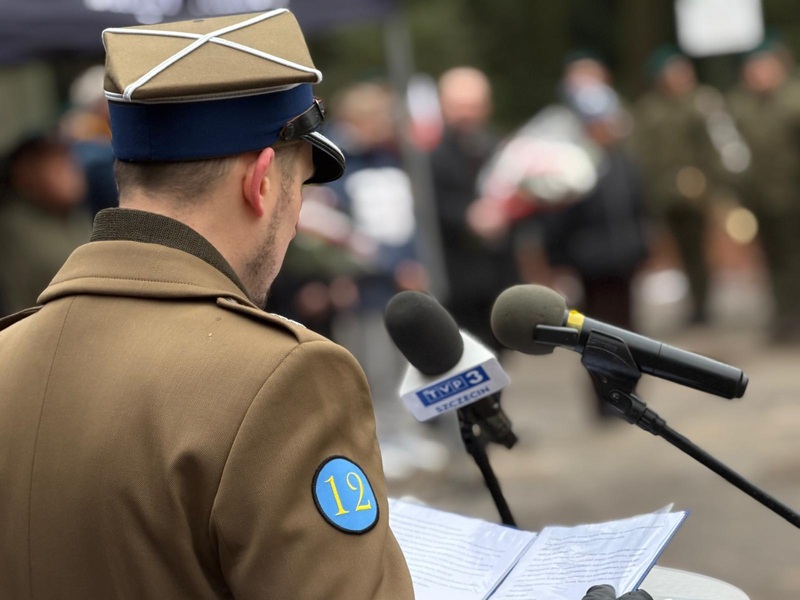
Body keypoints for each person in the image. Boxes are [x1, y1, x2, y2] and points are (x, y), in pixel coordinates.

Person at [0, 10, 413, 598]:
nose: (296, 219)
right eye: (300, 187)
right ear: (263, 181)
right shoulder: (284, 377)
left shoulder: (7, 352)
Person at [632, 46, 726, 325]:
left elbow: (715, 145)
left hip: (698, 192)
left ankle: (703, 301)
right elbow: (642, 153)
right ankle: (694, 301)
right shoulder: (650, 109)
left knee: (699, 249)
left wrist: (712, 184)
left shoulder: (701, 102)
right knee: (679, 250)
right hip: (665, 193)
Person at [430, 66, 518, 350]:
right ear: (443, 106)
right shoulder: (428, 154)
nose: (467, 113)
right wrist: (468, 216)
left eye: (474, 105)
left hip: (499, 279)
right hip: (454, 282)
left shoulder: (502, 149)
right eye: (460, 106)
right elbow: (428, 206)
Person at [727, 39, 800, 342]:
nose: (760, 75)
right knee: (773, 260)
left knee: (794, 259)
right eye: (754, 69)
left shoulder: (793, 101)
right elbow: (732, 152)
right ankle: (784, 316)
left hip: (793, 195)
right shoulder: (741, 106)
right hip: (761, 199)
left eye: (765, 68)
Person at [0, 133, 93, 315]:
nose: (69, 174)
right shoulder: (14, 229)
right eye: (56, 165)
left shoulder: (76, 215)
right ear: (26, 174)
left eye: (69, 163)